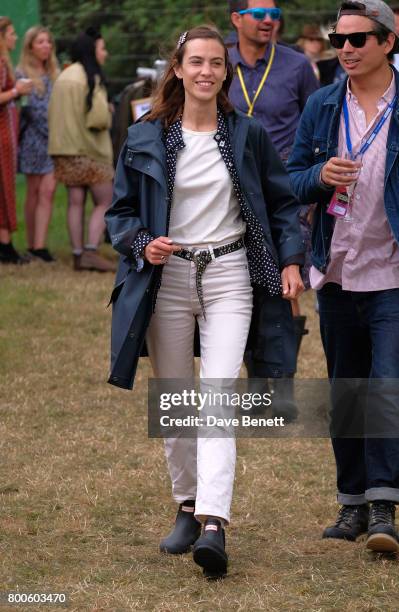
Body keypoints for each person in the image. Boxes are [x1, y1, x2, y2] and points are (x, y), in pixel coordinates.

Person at [105, 26, 304, 578]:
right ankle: (188, 504)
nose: (206, 72)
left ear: (226, 72)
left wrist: (290, 259)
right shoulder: (145, 135)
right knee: (174, 403)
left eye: (216, 63)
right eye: (196, 62)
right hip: (166, 279)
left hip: (230, 274)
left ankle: (215, 522)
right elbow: (117, 217)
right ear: (178, 67)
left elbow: (283, 203)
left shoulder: (247, 133)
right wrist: (143, 243)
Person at [288, 0, 399, 553]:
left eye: (358, 39)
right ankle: (353, 505)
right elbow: (291, 179)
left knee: (385, 386)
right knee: (347, 391)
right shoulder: (324, 104)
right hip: (334, 269)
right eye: (339, 40)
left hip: (392, 273)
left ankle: (384, 507)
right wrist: (320, 175)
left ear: (387, 42)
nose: (347, 49)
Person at [227, 0, 319, 419]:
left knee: (287, 281)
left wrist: (313, 189)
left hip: (285, 195)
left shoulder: (296, 65)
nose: (268, 20)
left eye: (274, 13)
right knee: (239, 286)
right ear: (236, 19)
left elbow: (318, 124)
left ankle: (281, 384)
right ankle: (255, 383)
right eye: (259, 13)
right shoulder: (218, 61)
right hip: (227, 194)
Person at [48, 28, 115, 272]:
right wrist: (108, 111)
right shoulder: (90, 77)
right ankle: (91, 251)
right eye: (102, 48)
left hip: (64, 150)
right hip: (89, 150)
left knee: (75, 201)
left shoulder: (64, 76)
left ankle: (77, 254)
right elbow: (98, 119)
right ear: (92, 51)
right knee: (105, 200)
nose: (105, 54)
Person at [16, 26, 59, 263]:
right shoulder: (22, 73)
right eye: (40, 42)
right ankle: (32, 243)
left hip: (54, 141)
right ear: (31, 46)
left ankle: (40, 245)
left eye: (48, 42)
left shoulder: (55, 73)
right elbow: (29, 110)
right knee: (33, 191)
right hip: (34, 140)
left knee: (48, 191)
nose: (46, 46)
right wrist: (49, 131)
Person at [0, 16, 33, 265]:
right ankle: (5, 245)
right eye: (11, 33)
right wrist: (16, 91)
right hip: (3, 134)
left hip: (7, 131)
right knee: (4, 185)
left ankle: (5, 241)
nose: (15, 37)